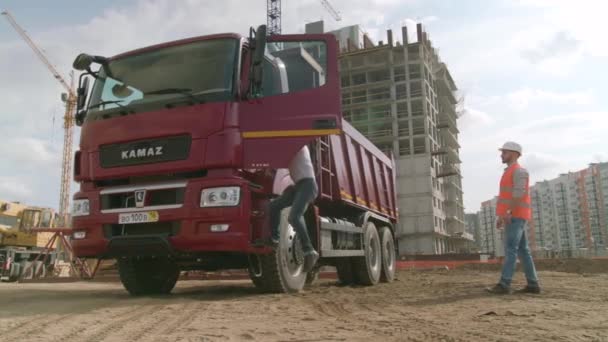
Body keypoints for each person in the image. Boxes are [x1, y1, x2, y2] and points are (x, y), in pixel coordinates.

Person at [487, 142, 541, 295]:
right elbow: (506, 196)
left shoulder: (519, 171)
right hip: (512, 215)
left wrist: (509, 212)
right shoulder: (509, 172)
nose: (501, 155)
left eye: (504, 152)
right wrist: (501, 216)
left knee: (511, 249)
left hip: (516, 215)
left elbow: (519, 193)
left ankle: (504, 284)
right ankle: (533, 284)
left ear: (514, 153)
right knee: (523, 250)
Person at [264, 145, 320, 273]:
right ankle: (275, 239)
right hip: (298, 185)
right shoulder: (288, 146)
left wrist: (269, 165)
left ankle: (309, 251)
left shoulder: (297, 144)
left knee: (294, 217)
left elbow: (280, 157)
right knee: (273, 206)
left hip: (308, 185)